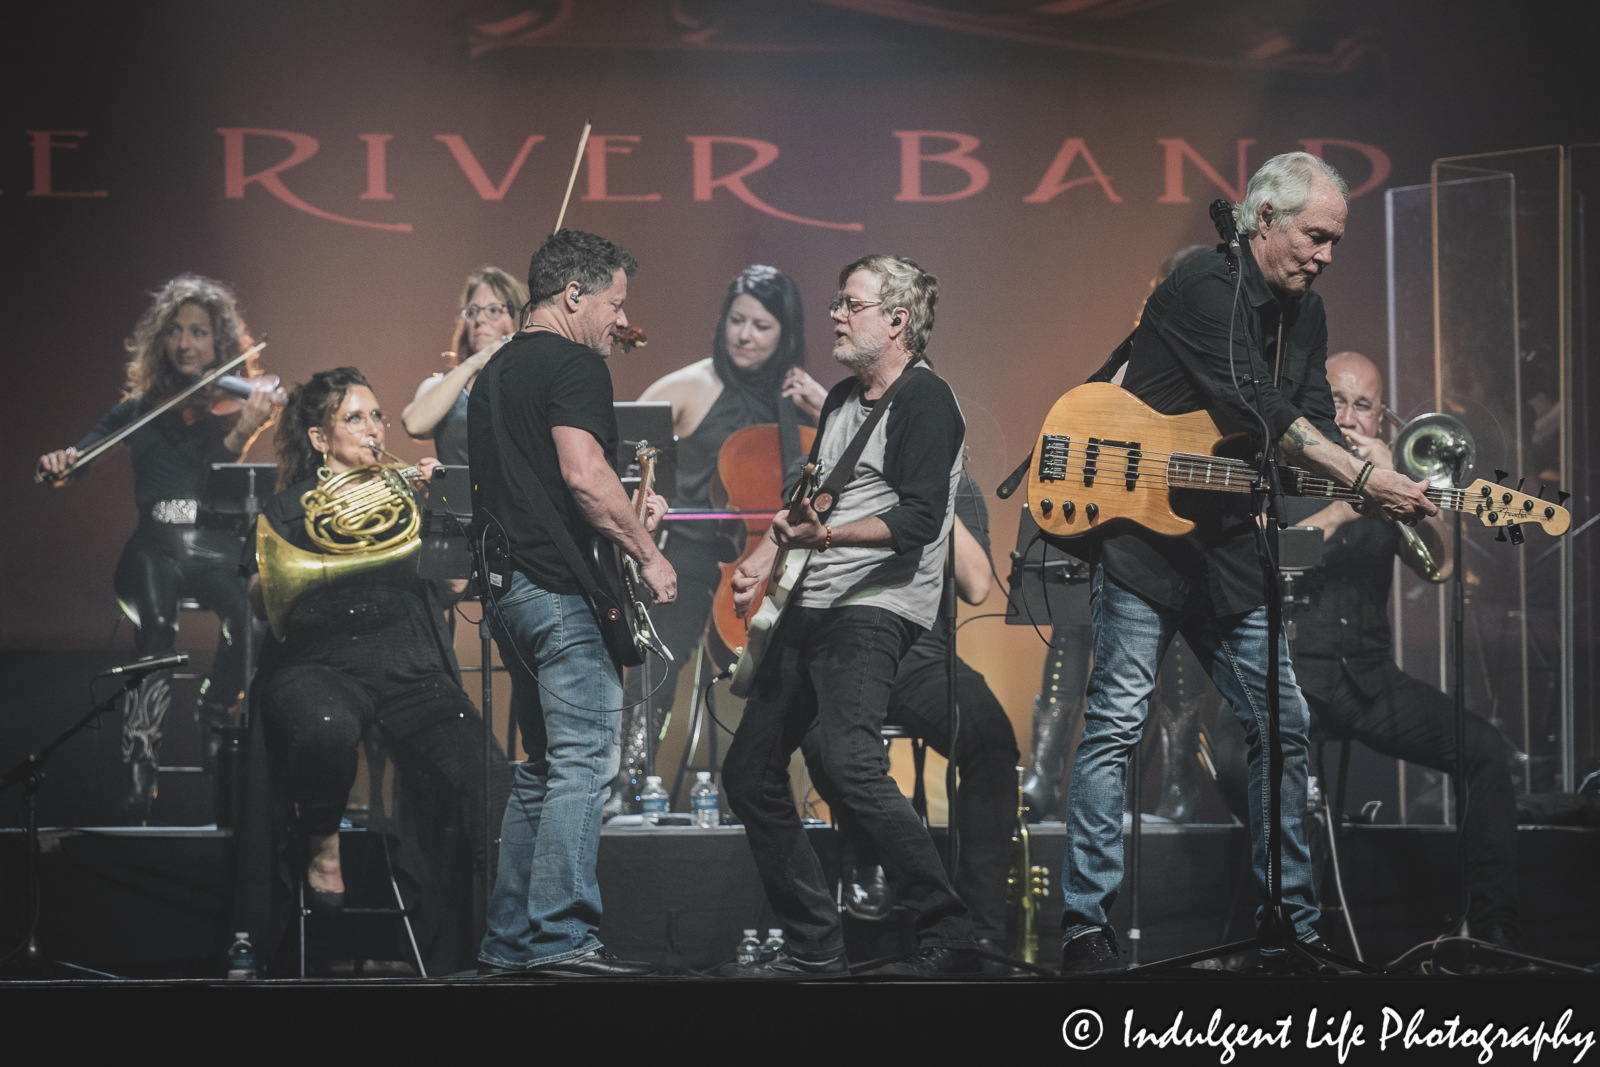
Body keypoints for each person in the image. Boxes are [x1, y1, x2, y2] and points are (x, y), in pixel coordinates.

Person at [1056, 152, 1436, 973]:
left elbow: (1296, 426)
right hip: (1144, 538)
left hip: (1230, 541)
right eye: (1316, 236)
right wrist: (1364, 474)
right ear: (1264, 218)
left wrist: (1366, 475)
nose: (1327, 255)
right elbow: (1249, 401)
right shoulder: (1200, 286)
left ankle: (1290, 926)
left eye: (1336, 241)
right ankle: (1086, 926)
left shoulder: (1309, 313)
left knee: (1283, 723)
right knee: (1118, 723)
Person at [723, 253, 979, 977]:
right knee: (749, 775)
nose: (834, 314)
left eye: (850, 303)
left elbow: (922, 519)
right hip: (813, 599)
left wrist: (825, 536)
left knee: (846, 757)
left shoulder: (928, 402)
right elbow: (814, 506)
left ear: (897, 320)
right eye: (836, 302)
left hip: (875, 604)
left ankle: (947, 923)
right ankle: (814, 941)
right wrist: (762, 559)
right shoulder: (840, 401)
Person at [245, 367, 510, 966]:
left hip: (408, 665)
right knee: (325, 729)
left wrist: (438, 504)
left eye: (377, 416)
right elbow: (261, 599)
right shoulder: (287, 508)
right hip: (318, 663)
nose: (373, 430)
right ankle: (321, 840)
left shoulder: (411, 495)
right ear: (320, 438)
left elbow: (453, 584)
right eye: (355, 418)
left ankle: (496, 934)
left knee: (487, 777)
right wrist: (313, 559)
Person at [469, 229, 674, 976]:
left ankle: (509, 944)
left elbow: (548, 487)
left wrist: (626, 515)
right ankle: (562, 938)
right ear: (574, 294)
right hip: (557, 594)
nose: (623, 320)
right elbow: (585, 478)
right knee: (586, 760)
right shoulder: (575, 363)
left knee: (543, 766)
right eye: (616, 303)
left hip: (507, 597)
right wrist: (648, 554)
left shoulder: (492, 373)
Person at [1287, 350, 1521, 950]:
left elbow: (1439, 567)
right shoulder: (1287, 464)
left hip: (1368, 683)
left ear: (1381, 417)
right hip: (1289, 679)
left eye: (1362, 406)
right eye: (1335, 400)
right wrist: (1346, 503)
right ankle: (1286, 923)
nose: (1347, 417)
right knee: (1239, 764)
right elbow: (1271, 556)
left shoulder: (1388, 480)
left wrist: (1396, 484)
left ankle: (1490, 931)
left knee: (1486, 751)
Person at [37, 274, 280, 823]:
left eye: (199, 332)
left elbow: (211, 478)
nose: (187, 343)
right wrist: (58, 465)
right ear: (161, 342)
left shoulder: (229, 410)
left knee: (253, 622)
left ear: (219, 344)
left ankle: (216, 709)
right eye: (176, 331)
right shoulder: (137, 409)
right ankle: (141, 763)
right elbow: (77, 462)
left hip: (213, 551)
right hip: (153, 549)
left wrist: (244, 432)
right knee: (157, 626)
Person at [618, 265, 827, 813]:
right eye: (736, 320)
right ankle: (623, 781)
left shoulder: (798, 397)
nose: (744, 335)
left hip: (766, 558)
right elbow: (626, 460)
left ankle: (786, 796)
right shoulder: (690, 385)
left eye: (761, 326)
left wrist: (822, 402)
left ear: (786, 334)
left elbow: (851, 460)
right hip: (689, 551)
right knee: (658, 659)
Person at [801, 466, 1021, 969]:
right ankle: (868, 853)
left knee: (992, 744)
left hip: (921, 654)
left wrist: (931, 489)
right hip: (842, 647)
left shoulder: (957, 484)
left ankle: (983, 932)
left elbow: (977, 585)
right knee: (825, 745)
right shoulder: (837, 470)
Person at [401, 266, 529, 465]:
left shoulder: (531, 382)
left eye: (494, 310)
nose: (479, 320)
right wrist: (476, 362)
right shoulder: (441, 386)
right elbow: (414, 424)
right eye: (472, 312)